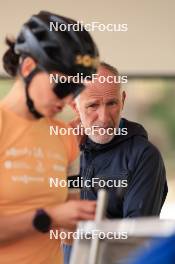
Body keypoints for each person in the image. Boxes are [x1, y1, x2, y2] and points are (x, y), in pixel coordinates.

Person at [0, 11, 99, 264]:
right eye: (62, 86)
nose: (68, 101)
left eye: (75, 90)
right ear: (29, 67)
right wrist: (48, 217)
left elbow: (70, 225)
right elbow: (55, 215)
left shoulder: (64, 136)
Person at [64, 62, 168, 263]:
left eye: (111, 103)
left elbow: (134, 240)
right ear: (74, 105)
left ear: (123, 100)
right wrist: (70, 160)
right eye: (93, 105)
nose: (104, 118)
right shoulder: (60, 150)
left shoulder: (144, 156)